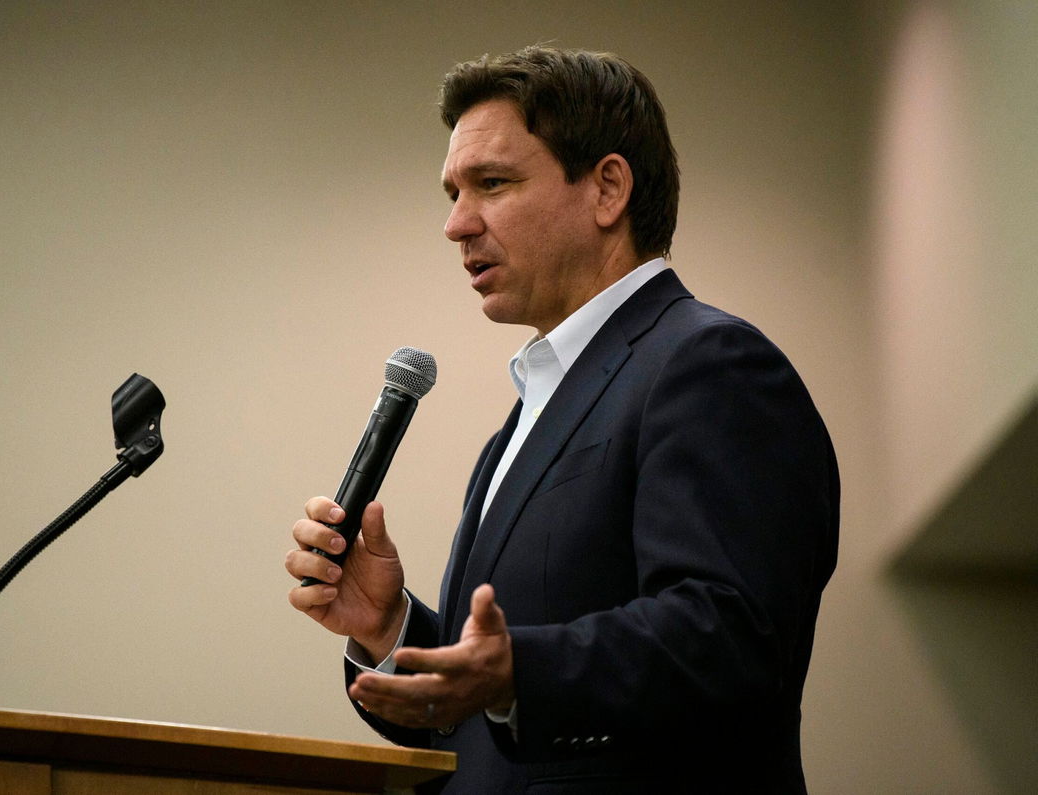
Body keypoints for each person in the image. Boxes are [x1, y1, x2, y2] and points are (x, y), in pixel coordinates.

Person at [286, 45, 838, 793]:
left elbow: (731, 639)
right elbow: (483, 720)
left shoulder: (709, 364)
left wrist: (523, 670)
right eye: (452, 192)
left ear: (607, 188)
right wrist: (390, 629)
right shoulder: (523, 418)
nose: (455, 224)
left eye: (491, 183)